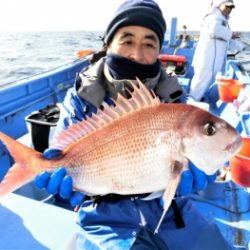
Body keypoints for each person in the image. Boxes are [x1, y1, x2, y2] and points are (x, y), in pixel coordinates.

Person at [35, 0, 233, 249]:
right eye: (127, 40)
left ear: (159, 49)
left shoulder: (175, 99)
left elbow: (192, 159)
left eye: (149, 43)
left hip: (174, 213)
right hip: (103, 217)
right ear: (108, 44)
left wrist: (204, 171)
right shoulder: (80, 98)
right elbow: (63, 150)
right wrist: (58, 169)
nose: (137, 54)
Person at [189, 0, 246, 102]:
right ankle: (190, 109)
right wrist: (231, 34)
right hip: (206, 62)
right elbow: (215, 29)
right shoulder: (212, 17)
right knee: (198, 86)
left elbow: (226, 41)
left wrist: (243, 47)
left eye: (231, 7)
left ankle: (197, 104)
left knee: (205, 86)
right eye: (227, 6)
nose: (229, 9)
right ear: (219, 5)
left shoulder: (223, 22)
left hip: (214, 64)